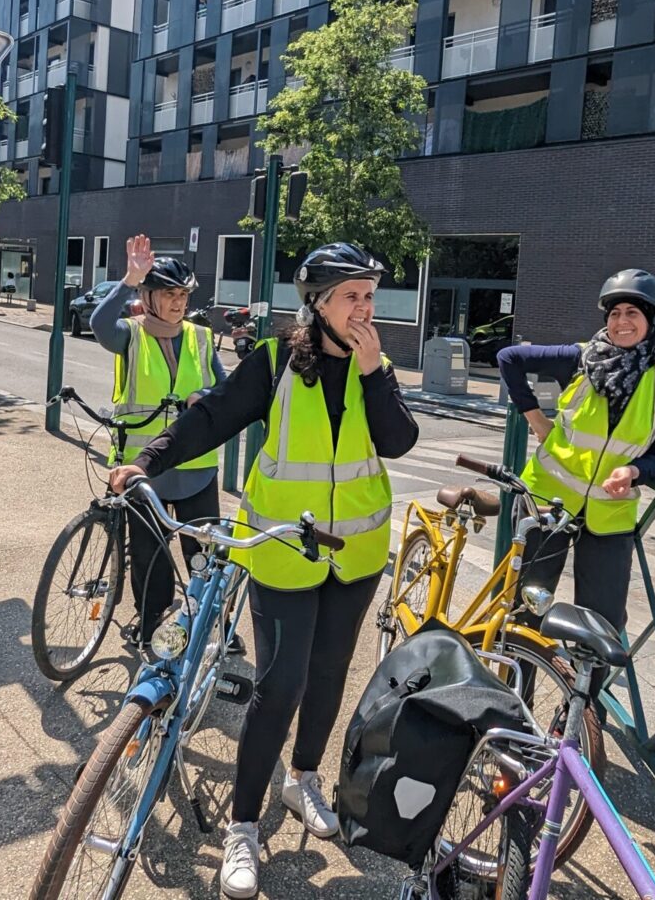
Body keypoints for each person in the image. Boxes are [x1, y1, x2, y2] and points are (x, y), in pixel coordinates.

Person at [107, 241, 418, 899]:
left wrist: (373, 374)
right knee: (279, 684)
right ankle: (243, 828)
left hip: (355, 552)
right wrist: (149, 461)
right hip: (281, 548)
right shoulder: (276, 360)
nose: (365, 308)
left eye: (369, 295)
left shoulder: (376, 365)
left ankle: (304, 777)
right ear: (319, 305)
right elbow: (213, 413)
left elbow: (396, 440)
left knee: (330, 674)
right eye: (351, 297)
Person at [496, 269, 655, 638]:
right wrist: (537, 420)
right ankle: (517, 692)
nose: (622, 321)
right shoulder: (580, 358)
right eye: (614, 314)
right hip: (546, 502)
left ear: (652, 319)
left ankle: (586, 696)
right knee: (526, 609)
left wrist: (634, 472)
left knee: (602, 624)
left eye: (632, 312)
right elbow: (509, 358)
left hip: (610, 514)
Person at [90, 235, 229, 647]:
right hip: (143, 470)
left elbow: (226, 392)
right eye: (170, 294)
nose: (179, 302)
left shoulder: (200, 338)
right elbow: (98, 324)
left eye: (183, 295)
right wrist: (128, 280)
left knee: (203, 553)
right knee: (150, 559)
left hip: (195, 469)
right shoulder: (129, 335)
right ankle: (152, 625)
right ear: (149, 296)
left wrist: (204, 398)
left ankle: (212, 624)